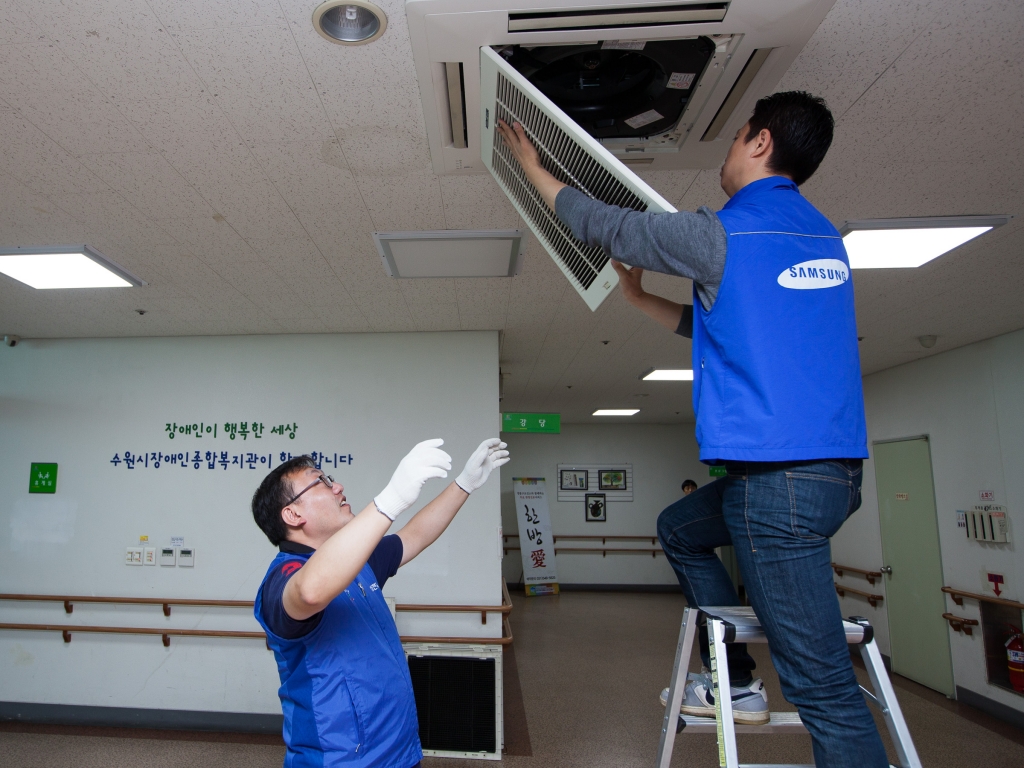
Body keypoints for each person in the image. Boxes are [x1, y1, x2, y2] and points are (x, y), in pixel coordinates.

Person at [497, 91, 886, 767]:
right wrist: (647, 299)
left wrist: (531, 166)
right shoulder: (820, 236)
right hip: (828, 475)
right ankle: (731, 678)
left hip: (779, 488)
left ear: (760, 143)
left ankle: (742, 687)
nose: (730, 152)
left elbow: (604, 224)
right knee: (679, 529)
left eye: (737, 137)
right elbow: (732, 329)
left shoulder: (725, 232)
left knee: (823, 689)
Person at [251, 437, 509, 768]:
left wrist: (464, 483)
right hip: (339, 761)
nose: (337, 486)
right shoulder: (282, 578)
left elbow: (415, 535)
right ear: (293, 513)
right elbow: (309, 592)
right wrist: (390, 500)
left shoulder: (359, 563)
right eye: (322, 481)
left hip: (400, 751)